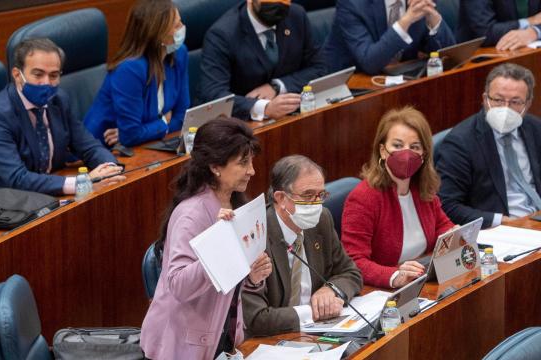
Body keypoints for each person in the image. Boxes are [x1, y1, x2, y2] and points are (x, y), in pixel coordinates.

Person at [140, 117, 272, 359]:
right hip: (181, 348)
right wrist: (221, 243)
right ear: (215, 166)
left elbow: (228, 276)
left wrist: (253, 276)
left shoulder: (233, 201)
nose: (252, 171)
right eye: (243, 163)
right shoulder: (191, 214)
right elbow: (178, 284)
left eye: (251, 162)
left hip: (222, 339)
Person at [0, 38, 124, 195]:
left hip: (46, 193)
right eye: (38, 74)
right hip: (1, 203)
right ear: (17, 75)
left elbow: (88, 146)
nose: (46, 83)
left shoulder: (58, 100)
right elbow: (17, 178)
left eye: (53, 75)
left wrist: (110, 167)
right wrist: (82, 182)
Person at [242, 155, 362, 338]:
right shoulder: (254, 236)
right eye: (307, 195)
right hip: (273, 339)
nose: (316, 204)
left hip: (320, 333)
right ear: (281, 198)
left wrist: (330, 289)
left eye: (320, 195)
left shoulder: (322, 220)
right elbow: (256, 319)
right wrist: (312, 312)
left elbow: (351, 273)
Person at [341, 106, 454, 288]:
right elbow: (353, 260)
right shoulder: (364, 197)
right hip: (386, 291)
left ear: (424, 154)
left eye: (415, 147)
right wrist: (395, 276)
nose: (406, 153)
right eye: (398, 145)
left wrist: (452, 235)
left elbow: (442, 225)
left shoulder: (422, 187)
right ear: (383, 151)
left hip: (424, 280)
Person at [436, 63, 541, 229]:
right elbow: (447, 205)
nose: (506, 108)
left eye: (515, 102)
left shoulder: (535, 128)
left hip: (536, 219)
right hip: (502, 229)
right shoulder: (460, 142)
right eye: (498, 100)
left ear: (527, 104)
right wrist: (502, 221)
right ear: (485, 99)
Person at [83, 0, 189, 147]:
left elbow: (183, 116)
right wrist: (165, 121)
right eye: (176, 25)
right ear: (157, 33)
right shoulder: (130, 69)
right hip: (101, 153)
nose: (182, 28)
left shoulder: (179, 54)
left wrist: (146, 131)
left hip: (145, 146)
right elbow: (131, 136)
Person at [198, 0, 325, 120]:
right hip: (240, 124)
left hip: (292, 115)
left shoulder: (297, 16)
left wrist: (278, 86)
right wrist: (263, 108)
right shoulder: (222, 34)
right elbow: (213, 95)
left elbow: (320, 67)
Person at [323, 0, 456, 75]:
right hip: (353, 85)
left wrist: (433, 17)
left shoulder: (418, 1)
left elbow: (451, 56)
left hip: (399, 78)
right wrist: (406, 21)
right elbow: (369, 62)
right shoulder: (352, 4)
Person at [457, 0, 541, 50]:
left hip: (526, 51)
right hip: (479, 58)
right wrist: (530, 21)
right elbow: (485, 32)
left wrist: (534, 32)